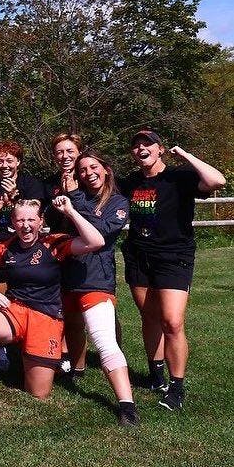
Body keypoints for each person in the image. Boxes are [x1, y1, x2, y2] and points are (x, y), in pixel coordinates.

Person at [0, 196, 103, 410]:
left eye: (31, 220)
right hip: (15, 310)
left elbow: (96, 241)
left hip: (46, 316)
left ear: (40, 222)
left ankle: (35, 356)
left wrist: (70, 212)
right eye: (20, 220)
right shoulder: (4, 247)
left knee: (38, 393)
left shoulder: (53, 243)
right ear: (13, 223)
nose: (26, 226)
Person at [119, 130, 225, 411]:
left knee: (173, 322)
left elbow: (217, 180)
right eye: (136, 145)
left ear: (160, 149)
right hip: (139, 256)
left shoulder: (180, 178)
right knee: (150, 317)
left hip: (174, 257)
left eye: (147, 144)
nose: (141, 148)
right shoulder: (131, 182)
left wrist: (187, 156)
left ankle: (177, 386)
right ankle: (156, 375)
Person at [62, 151, 139, 425]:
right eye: (82, 170)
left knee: (104, 341)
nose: (88, 173)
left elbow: (99, 233)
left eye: (93, 167)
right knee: (71, 327)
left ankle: (127, 405)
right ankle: (77, 369)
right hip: (65, 273)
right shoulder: (73, 193)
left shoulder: (117, 201)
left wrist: (75, 202)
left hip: (95, 277)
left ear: (106, 169)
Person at [0, 139, 45, 372]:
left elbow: (36, 212)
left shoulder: (31, 184)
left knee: (28, 295)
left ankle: (30, 341)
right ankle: (1, 348)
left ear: (18, 162)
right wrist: (1, 203)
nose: (4, 164)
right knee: (0, 299)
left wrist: (14, 197)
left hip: (26, 248)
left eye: (9, 160)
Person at [43, 133, 83, 234]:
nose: (65, 156)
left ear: (79, 153)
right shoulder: (48, 183)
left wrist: (73, 193)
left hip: (86, 240)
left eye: (70, 151)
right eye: (60, 152)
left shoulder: (89, 179)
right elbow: (48, 220)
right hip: (59, 240)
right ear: (55, 156)